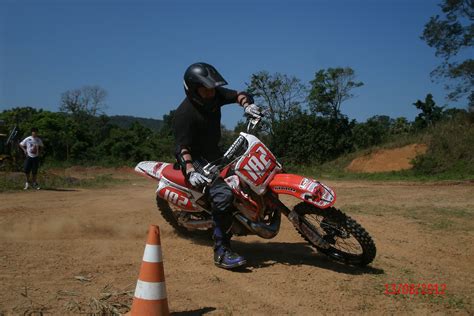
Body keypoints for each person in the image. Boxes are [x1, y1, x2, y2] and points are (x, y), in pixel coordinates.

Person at [174, 62, 262, 269]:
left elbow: (238, 94)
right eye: (206, 89)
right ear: (193, 89)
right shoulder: (184, 115)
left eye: (213, 87)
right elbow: (181, 148)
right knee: (223, 195)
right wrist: (190, 170)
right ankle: (222, 251)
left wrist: (248, 105)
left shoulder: (213, 95)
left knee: (247, 172)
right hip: (194, 160)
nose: (211, 92)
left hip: (214, 152)